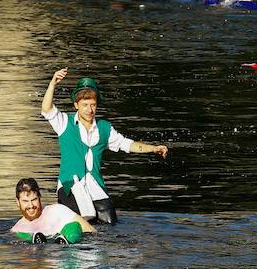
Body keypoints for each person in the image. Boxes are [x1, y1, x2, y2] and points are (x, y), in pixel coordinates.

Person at [41, 68, 168, 224]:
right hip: (70, 186)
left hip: (95, 186)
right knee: (84, 220)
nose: (90, 110)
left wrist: (153, 148)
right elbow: (46, 109)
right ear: (76, 105)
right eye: (85, 105)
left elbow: (126, 144)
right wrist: (53, 82)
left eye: (93, 105)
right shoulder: (64, 123)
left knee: (111, 224)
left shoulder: (104, 128)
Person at [10, 178, 96, 244]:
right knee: (20, 235)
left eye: (34, 200)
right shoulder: (17, 229)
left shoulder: (57, 210)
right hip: (41, 258)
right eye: (25, 201)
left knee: (74, 225)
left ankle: (65, 242)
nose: (31, 206)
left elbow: (90, 231)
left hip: (69, 255)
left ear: (40, 198)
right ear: (18, 202)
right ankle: (37, 242)